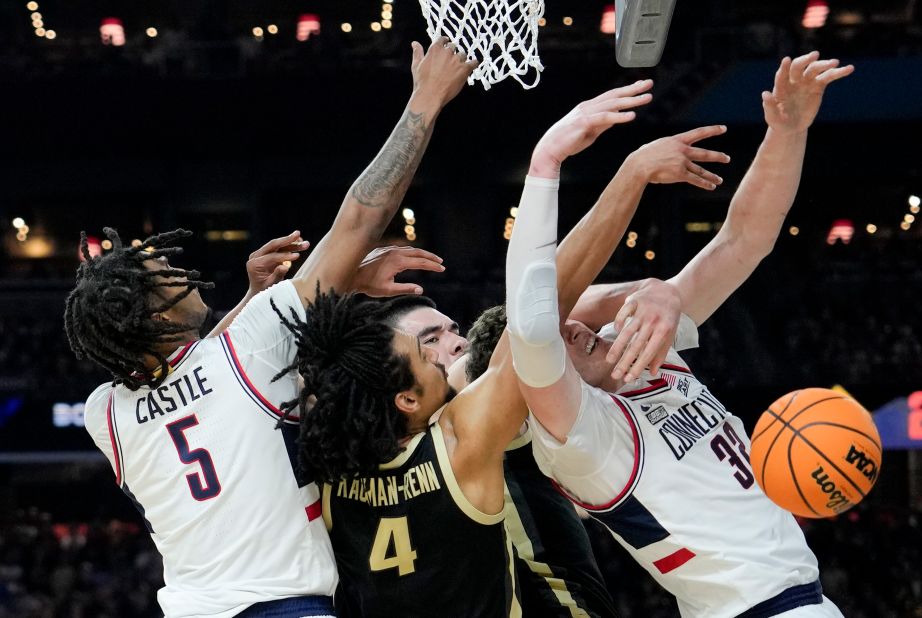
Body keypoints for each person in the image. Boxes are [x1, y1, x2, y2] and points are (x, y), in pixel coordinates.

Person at [283, 79, 730, 617]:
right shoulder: (456, 441)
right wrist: (624, 177)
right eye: (431, 345)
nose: (455, 342)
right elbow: (537, 315)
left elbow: (304, 352)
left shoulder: (330, 467)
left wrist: (343, 289)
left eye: (449, 329)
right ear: (403, 399)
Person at [64, 39, 474, 618]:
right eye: (168, 279)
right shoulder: (248, 347)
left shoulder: (104, 413)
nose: (186, 277)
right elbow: (361, 216)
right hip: (282, 606)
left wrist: (283, 294)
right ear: (154, 316)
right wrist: (425, 101)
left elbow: (192, 370)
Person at [505, 52, 854, 618]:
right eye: (563, 335)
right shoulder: (584, 438)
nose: (574, 327)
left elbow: (744, 239)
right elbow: (533, 322)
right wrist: (547, 163)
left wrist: (787, 133)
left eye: (579, 321)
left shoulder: (639, 343)